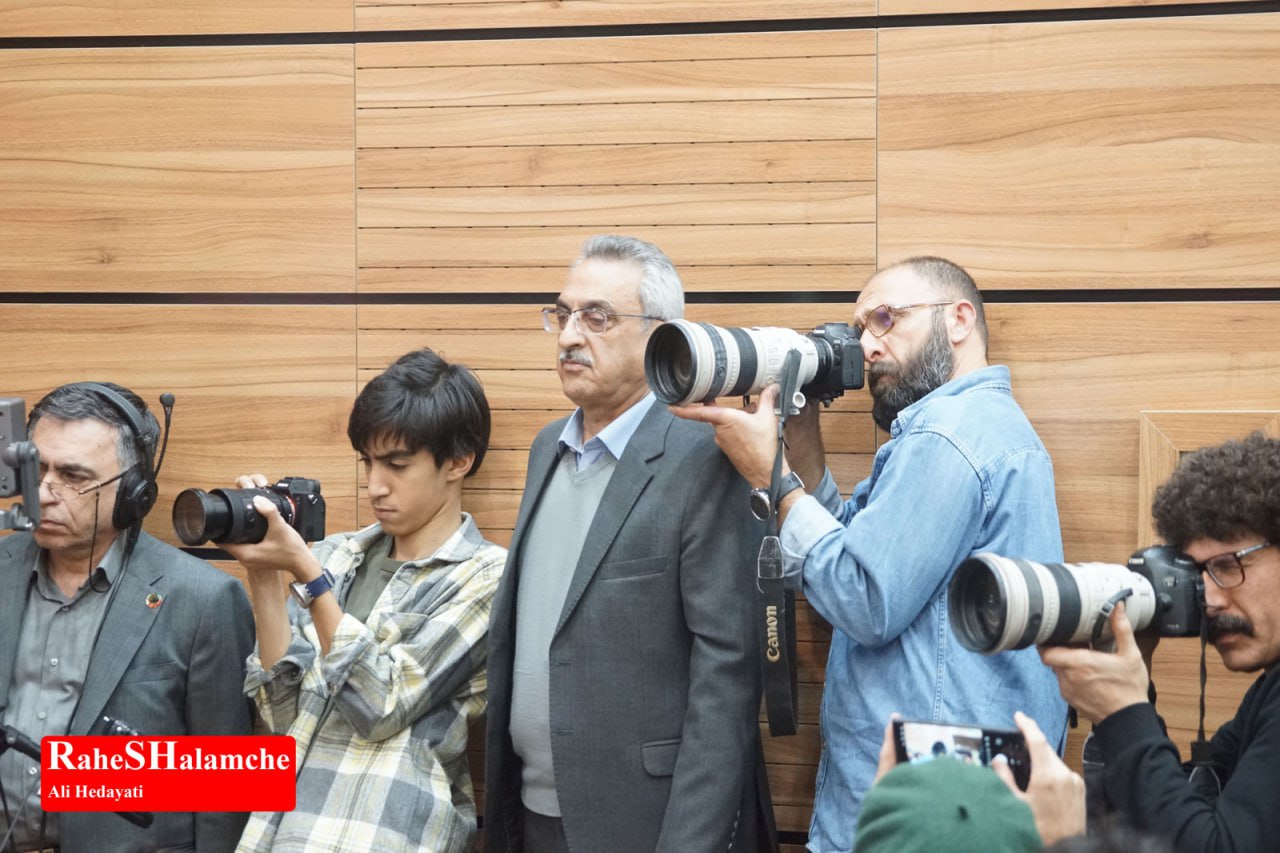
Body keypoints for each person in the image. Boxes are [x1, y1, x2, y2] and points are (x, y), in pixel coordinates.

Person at [672, 256, 1068, 851]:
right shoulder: (982, 427)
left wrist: (769, 477)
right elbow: (853, 557)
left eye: (885, 319)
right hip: (959, 806)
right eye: (859, 328)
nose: (866, 345)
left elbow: (862, 597)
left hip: (921, 816)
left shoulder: (947, 435)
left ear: (959, 319)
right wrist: (801, 448)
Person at [484, 235, 771, 852]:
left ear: (659, 335)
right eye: (563, 314)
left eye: (597, 317)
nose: (569, 336)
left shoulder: (704, 456)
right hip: (530, 813)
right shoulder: (546, 448)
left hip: (645, 822)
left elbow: (728, 677)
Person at [229, 348, 506, 853]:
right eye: (368, 461)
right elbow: (281, 721)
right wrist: (265, 577)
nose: (375, 485)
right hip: (285, 836)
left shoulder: (487, 576)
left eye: (397, 464)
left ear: (459, 461)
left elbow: (381, 706)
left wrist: (308, 577)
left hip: (385, 835)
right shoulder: (334, 557)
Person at [0, 381, 254, 852]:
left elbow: (227, 791)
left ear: (134, 493)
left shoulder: (204, 599)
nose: (43, 494)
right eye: (35, 469)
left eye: (73, 476)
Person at [1039, 431, 1280, 853]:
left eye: (1228, 565)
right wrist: (1132, 677)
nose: (1210, 599)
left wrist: (1122, 712)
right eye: (1198, 574)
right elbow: (1173, 814)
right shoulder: (1267, 691)